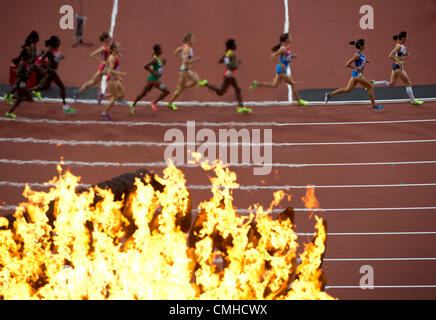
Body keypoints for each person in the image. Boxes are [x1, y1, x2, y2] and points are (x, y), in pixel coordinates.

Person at [249, 33, 308, 106]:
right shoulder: (283, 48)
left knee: (274, 85)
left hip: (282, 69)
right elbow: (273, 56)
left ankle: (257, 83)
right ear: (286, 40)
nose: (291, 38)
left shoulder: (287, 47)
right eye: (290, 37)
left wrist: (292, 56)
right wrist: (280, 64)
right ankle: (299, 101)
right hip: (281, 70)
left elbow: (286, 56)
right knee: (293, 83)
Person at [324, 39, 384, 110]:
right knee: (370, 86)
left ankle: (329, 94)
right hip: (358, 75)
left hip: (355, 75)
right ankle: (374, 106)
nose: (366, 45)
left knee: (347, 90)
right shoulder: (357, 55)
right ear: (361, 46)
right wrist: (357, 67)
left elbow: (361, 59)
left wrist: (365, 61)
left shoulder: (362, 52)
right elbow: (347, 64)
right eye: (364, 44)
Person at [371, 31, 423, 105]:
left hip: (395, 67)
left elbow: (399, 54)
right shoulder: (399, 46)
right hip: (398, 67)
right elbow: (390, 55)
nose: (407, 38)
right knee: (408, 83)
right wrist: (399, 61)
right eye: (406, 37)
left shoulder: (401, 45)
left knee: (391, 85)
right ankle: (413, 100)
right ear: (403, 38)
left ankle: (373, 83)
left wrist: (406, 54)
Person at [203, 38, 252, 113]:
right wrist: (238, 63)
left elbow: (221, 60)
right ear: (232, 46)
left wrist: (229, 63)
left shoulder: (227, 52)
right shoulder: (232, 54)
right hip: (229, 74)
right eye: (235, 45)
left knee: (223, 92)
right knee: (234, 90)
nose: (236, 46)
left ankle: (206, 83)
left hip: (227, 72)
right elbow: (234, 67)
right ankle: (241, 107)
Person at [31, 36, 76, 114]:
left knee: (42, 87)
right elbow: (42, 60)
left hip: (52, 71)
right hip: (51, 72)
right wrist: (48, 68)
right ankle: (65, 107)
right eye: (58, 42)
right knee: (62, 87)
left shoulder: (56, 49)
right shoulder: (49, 50)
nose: (59, 43)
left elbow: (55, 58)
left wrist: (60, 58)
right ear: (54, 43)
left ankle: (19, 94)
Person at [166, 33, 208, 111]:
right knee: (180, 90)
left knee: (196, 81)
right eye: (193, 39)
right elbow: (186, 62)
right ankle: (170, 103)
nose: (194, 40)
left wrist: (181, 55)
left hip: (186, 70)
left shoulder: (184, 46)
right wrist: (195, 60)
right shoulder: (187, 49)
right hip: (183, 72)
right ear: (189, 40)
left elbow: (176, 51)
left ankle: (184, 86)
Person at [129, 44, 170, 114]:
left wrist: (163, 63)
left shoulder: (156, 58)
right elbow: (145, 66)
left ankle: (133, 105)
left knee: (143, 94)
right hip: (154, 80)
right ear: (158, 51)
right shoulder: (154, 59)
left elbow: (158, 67)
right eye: (161, 49)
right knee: (167, 91)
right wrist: (153, 72)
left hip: (151, 80)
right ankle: (154, 103)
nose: (162, 50)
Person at [73, 32, 112, 102]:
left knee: (92, 82)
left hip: (104, 68)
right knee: (115, 78)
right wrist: (101, 61)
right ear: (106, 39)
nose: (110, 38)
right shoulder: (103, 48)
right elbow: (92, 55)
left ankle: (77, 92)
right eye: (109, 38)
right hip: (104, 68)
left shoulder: (107, 46)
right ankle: (106, 95)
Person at [5, 49, 36, 118]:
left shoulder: (26, 62)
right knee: (30, 98)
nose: (29, 55)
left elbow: (32, 60)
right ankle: (11, 97)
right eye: (28, 54)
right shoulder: (22, 63)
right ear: (25, 56)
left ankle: (9, 112)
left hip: (22, 83)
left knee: (19, 101)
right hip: (20, 84)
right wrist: (25, 74)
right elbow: (17, 73)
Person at [101, 42, 127, 120]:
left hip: (114, 78)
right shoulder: (112, 58)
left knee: (122, 93)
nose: (119, 49)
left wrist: (118, 76)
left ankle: (104, 95)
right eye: (118, 47)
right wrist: (120, 74)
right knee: (114, 98)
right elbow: (110, 71)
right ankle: (104, 113)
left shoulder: (115, 56)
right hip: (111, 80)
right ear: (114, 49)